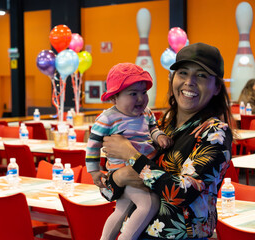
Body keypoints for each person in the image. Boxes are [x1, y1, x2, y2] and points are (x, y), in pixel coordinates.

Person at [101, 43, 233, 239]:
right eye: (183, 73)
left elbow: (182, 193)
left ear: (216, 88)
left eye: (202, 76)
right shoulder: (157, 125)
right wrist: (119, 178)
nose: (190, 82)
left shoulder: (214, 133)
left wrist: (132, 156)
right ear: (172, 79)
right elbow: (107, 191)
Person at [86, 63, 173, 240]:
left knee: (121, 209)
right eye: (133, 94)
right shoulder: (107, 118)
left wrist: (159, 137)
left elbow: (153, 128)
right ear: (114, 98)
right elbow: (93, 145)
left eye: (144, 93)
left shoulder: (146, 113)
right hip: (122, 170)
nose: (141, 99)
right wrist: (94, 171)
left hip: (143, 167)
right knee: (149, 204)